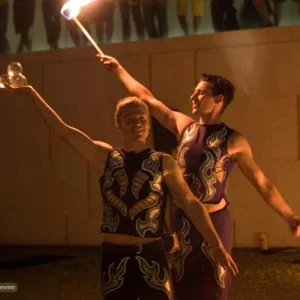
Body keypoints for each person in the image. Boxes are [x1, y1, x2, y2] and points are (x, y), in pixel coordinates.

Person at [0, 82, 238, 300]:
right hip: (115, 255)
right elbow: (63, 130)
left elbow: (190, 202)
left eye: (142, 118)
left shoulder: (164, 161)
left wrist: (215, 243)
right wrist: (32, 93)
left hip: (152, 254)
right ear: (118, 125)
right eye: (130, 120)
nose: (138, 124)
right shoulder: (104, 156)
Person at [98, 54, 300, 300]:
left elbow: (262, 183)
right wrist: (119, 70)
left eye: (200, 93)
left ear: (218, 99)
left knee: (214, 286)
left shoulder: (234, 140)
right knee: (181, 286)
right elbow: (146, 98)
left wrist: (291, 218)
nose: (193, 96)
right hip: (181, 221)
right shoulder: (184, 126)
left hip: (215, 222)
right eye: (194, 91)